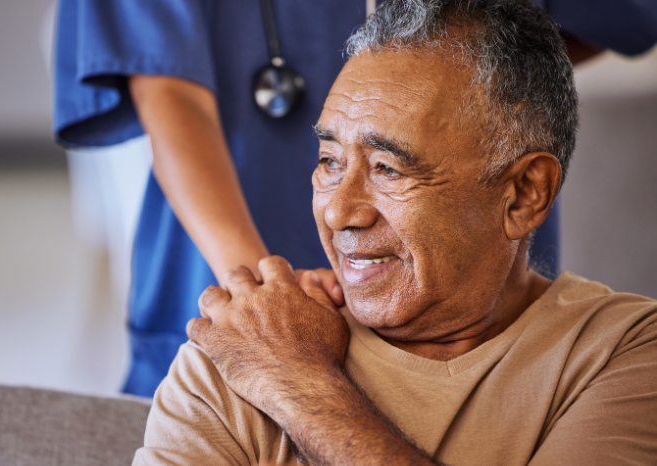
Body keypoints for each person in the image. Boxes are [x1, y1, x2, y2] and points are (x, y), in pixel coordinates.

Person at [132, 1, 657, 464]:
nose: (340, 213)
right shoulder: (240, 353)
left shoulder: (624, 353)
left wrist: (299, 385)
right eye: (329, 161)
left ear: (522, 194)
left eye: (388, 169)